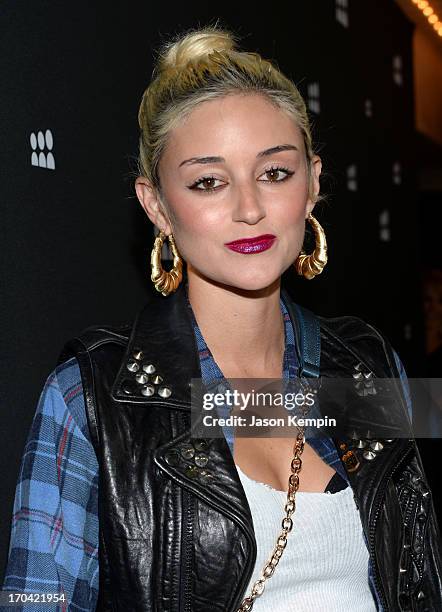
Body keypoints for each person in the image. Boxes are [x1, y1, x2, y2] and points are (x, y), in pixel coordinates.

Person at [2, 24, 442, 612]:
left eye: (275, 173)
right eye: (209, 182)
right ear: (156, 205)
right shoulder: (92, 396)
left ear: (312, 186)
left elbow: (419, 575)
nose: (250, 208)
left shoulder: (366, 362)